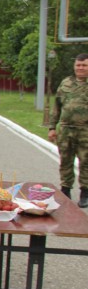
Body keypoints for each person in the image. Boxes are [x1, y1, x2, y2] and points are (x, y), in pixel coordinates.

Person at [48, 53, 88, 206]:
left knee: (85, 162)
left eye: (84, 65)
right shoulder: (66, 83)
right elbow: (57, 106)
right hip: (65, 130)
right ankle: (65, 190)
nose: (81, 68)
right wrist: (52, 127)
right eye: (78, 65)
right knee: (65, 161)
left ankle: (85, 192)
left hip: (85, 130)